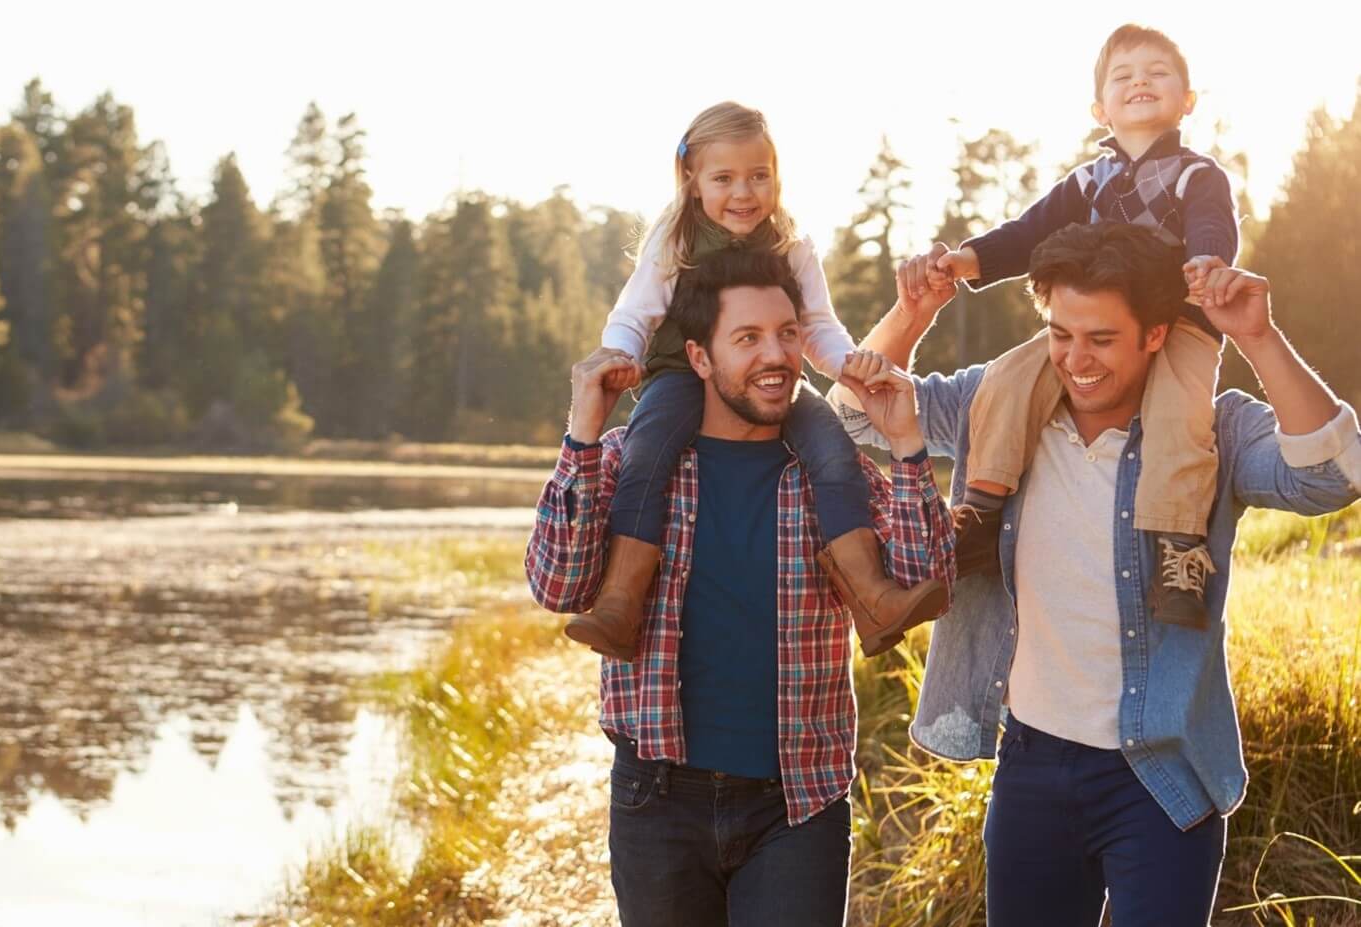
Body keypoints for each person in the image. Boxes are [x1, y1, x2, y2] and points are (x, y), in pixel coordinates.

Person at [832, 221, 1361, 925]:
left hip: (1161, 771)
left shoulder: (1208, 431)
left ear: (1154, 334)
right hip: (1033, 765)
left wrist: (1260, 337)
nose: (1075, 360)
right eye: (1060, 333)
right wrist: (913, 314)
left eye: (1101, 339)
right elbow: (854, 420)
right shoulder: (996, 405)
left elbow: (1331, 476)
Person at [526, 248, 956, 924]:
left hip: (798, 804)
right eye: (748, 338)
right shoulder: (630, 463)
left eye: (788, 334)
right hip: (657, 800)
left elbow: (926, 579)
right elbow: (556, 584)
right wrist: (582, 431)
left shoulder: (829, 471)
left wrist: (905, 442)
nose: (777, 355)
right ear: (699, 357)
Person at [567, 101, 938, 662]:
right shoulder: (674, 241)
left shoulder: (791, 247)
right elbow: (634, 313)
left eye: (758, 176)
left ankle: (872, 596)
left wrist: (847, 366)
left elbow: (816, 326)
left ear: (777, 178)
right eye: (724, 178)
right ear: (692, 182)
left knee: (833, 451)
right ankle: (620, 600)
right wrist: (619, 354)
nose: (744, 193)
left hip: (774, 379)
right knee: (646, 453)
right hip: (676, 374)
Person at [919, 24, 1238, 627]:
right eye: (1123, 76)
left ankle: (1178, 549)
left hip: (1179, 320)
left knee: (1181, 411)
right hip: (1089, 324)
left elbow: (1212, 226)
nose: (1140, 81)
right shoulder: (1088, 181)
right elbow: (1027, 232)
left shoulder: (1197, 176)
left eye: (1157, 73)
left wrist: (1207, 262)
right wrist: (971, 259)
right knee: (1009, 378)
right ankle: (983, 513)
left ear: (1187, 100)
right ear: (1100, 108)